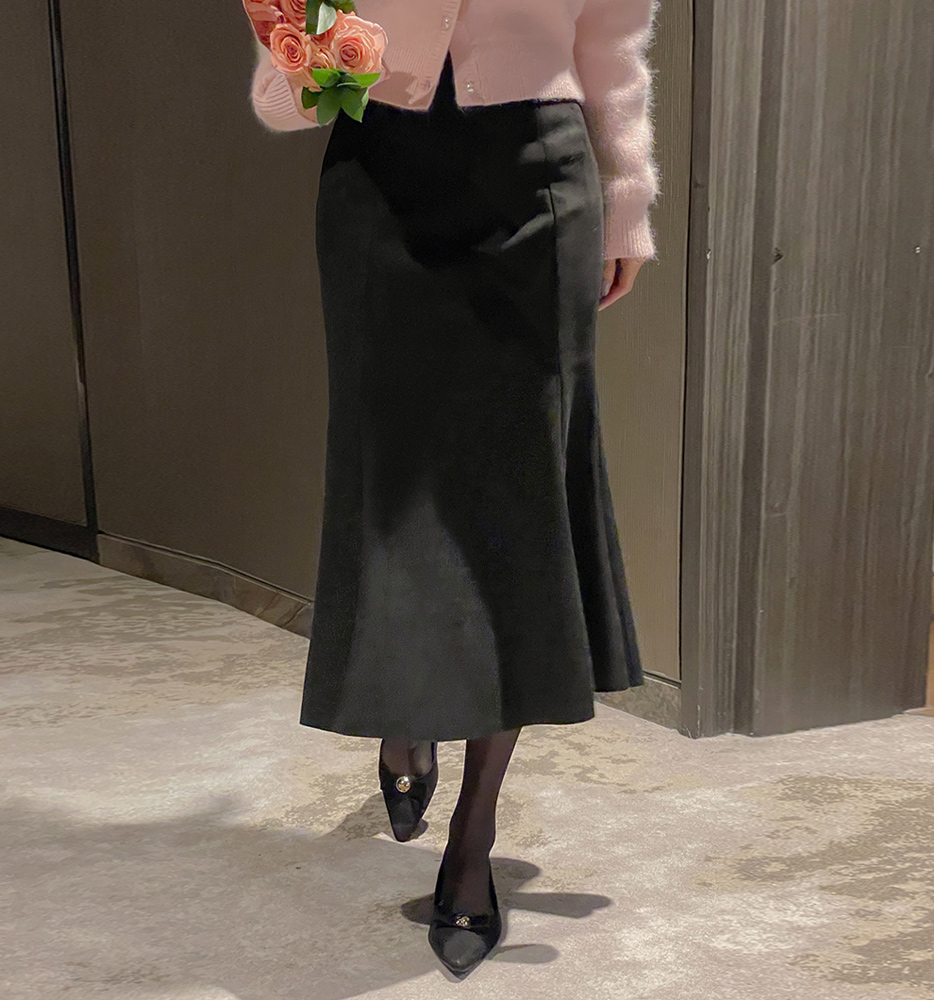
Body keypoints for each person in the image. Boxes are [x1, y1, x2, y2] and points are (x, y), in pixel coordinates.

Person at [245, 0, 659, 978]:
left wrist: (626, 202)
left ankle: (473, 834)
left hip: (539, 175)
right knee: (392, 488)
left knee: (518, 509)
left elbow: (612, 45)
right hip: (379, 175)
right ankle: (405, 713)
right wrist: (322, 50)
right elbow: (285, 88)